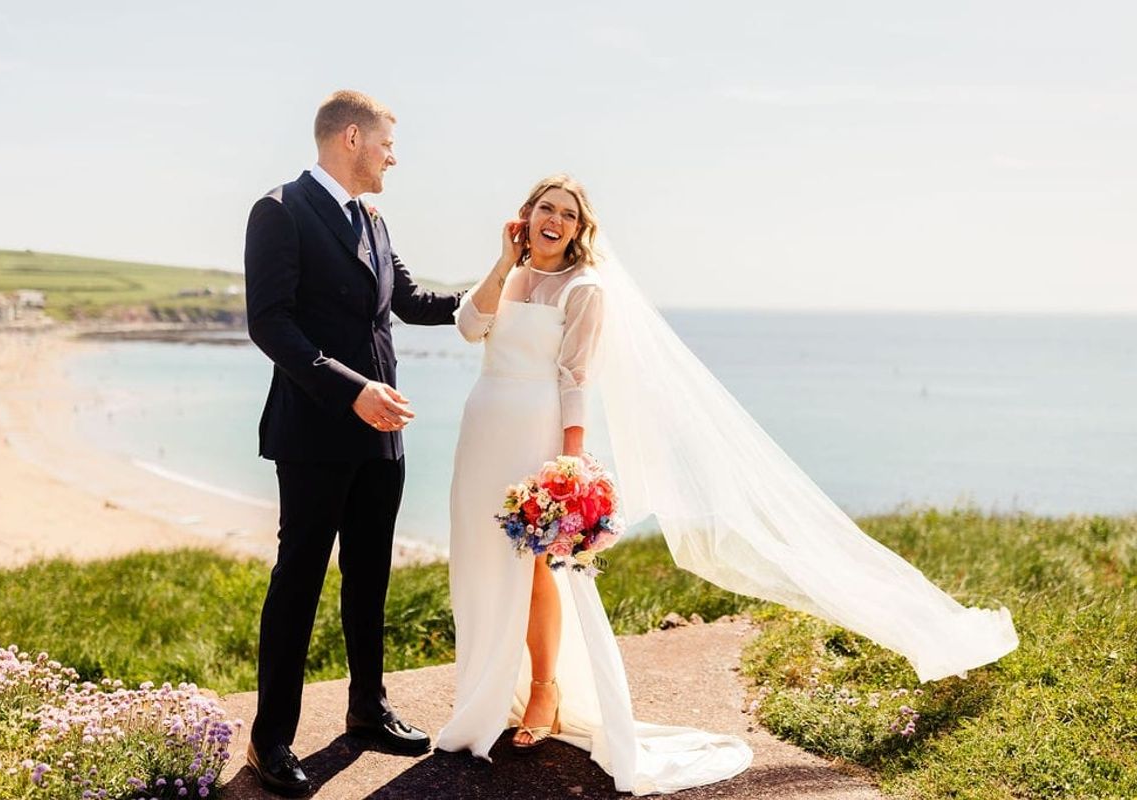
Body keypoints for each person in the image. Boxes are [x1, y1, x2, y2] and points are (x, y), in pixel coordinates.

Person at [435, 175, 1017, 795]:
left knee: (537, 576)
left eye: (568, 215)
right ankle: (489, 693)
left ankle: (543, 694)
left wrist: (571, 464)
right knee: (480, 565)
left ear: (581, 228)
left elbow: (575, 377)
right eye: (545, 209)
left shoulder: (586, 288)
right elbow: (470, 328)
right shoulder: (511, 275)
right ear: (526, 215)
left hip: (535, 435)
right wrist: (502, 262)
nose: (555, 221)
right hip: (482, 433)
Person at [243, 90, 462, 797]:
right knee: (299, 581)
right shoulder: (278, 210)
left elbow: (412, 303)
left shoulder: (373, 217)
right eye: (387, 145)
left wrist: (504, 279)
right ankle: (269, 739)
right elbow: (270, 324)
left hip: (382, 436)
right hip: (313, 431)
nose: (393, 158)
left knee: (371, 575)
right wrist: (351, 391)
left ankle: (367, 708)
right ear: (350, 138)